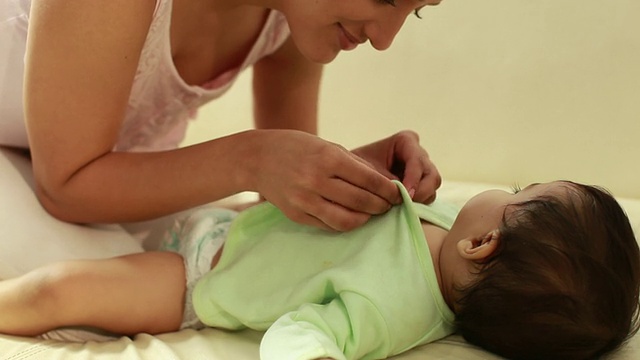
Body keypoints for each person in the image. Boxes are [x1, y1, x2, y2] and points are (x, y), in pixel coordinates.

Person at [1, 180, 638, 360]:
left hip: (198, 281)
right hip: (235, 221)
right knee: (131, 188)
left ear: (485, 245)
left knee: (62, 291)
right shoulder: (445, 226)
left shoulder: (394, 312)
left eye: (521, 191)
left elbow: (302, 334)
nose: (508, 185)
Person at [0, 0, 444, 232]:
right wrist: (251, 158)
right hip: (62, 183)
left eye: (418, 8)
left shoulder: (297, 20)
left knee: (193, 261)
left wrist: (350, 174)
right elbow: (65, 188)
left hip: (73, 181)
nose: (386, 39)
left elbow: (279, 196)